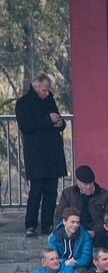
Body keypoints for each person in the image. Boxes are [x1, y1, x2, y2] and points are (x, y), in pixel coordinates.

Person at [16, 74, 67, 236]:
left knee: (51, 191)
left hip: (52, 152)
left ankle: (47, 224)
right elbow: (26, 126)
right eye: (44, 90)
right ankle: (30, 225)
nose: (47, 93)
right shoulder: (23, 103)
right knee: (36, 190)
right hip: (36, 153)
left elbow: (58, 119)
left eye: (48, 90)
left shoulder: (49, 100)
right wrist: (48, 120)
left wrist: (60, 123)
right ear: (36, 86)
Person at [54, 165, 108, 237]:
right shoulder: (68, 194)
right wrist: (60, 232)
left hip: (97, 233)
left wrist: (95, 231)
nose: (89, 187)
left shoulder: (105, 196)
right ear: (78, 183)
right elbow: (59, 216)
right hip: (74, 229)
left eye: (91, 183)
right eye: (85, 184)